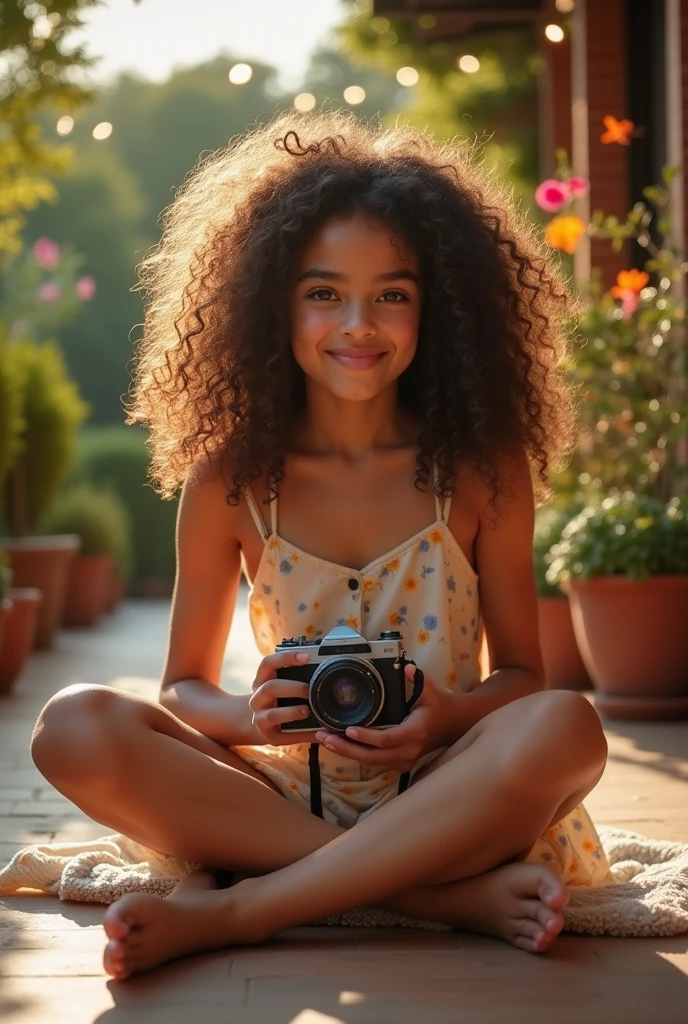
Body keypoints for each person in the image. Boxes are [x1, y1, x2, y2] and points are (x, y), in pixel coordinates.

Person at [29, 112, 610, 980]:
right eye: (324, 292)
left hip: (450, 791)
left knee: (570, 726)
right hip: (282, 794)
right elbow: (182, 686)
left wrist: (446, 716)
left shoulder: (483, 470)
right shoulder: (230, 480)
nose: (359, 324)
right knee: (71, 725)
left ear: (438, 308)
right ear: (274, 302)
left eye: (394, 294)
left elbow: (525, 675)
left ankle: (245, 906)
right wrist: (249, 715)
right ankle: (432, 897)